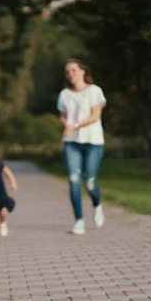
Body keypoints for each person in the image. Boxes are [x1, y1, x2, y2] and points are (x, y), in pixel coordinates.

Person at [57, 58, 107, 235]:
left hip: (93, 142)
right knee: (73, 180)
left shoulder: (94, 91)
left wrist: (75, 125)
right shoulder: (64, 94)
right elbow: (62, 116)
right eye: (67, 72)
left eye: (73, 70)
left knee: (90, 182)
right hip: (72, 143)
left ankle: (97, 204)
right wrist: (66, 125)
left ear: (83, 71)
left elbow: (95, 116)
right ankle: (79, 221)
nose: (70, 74)